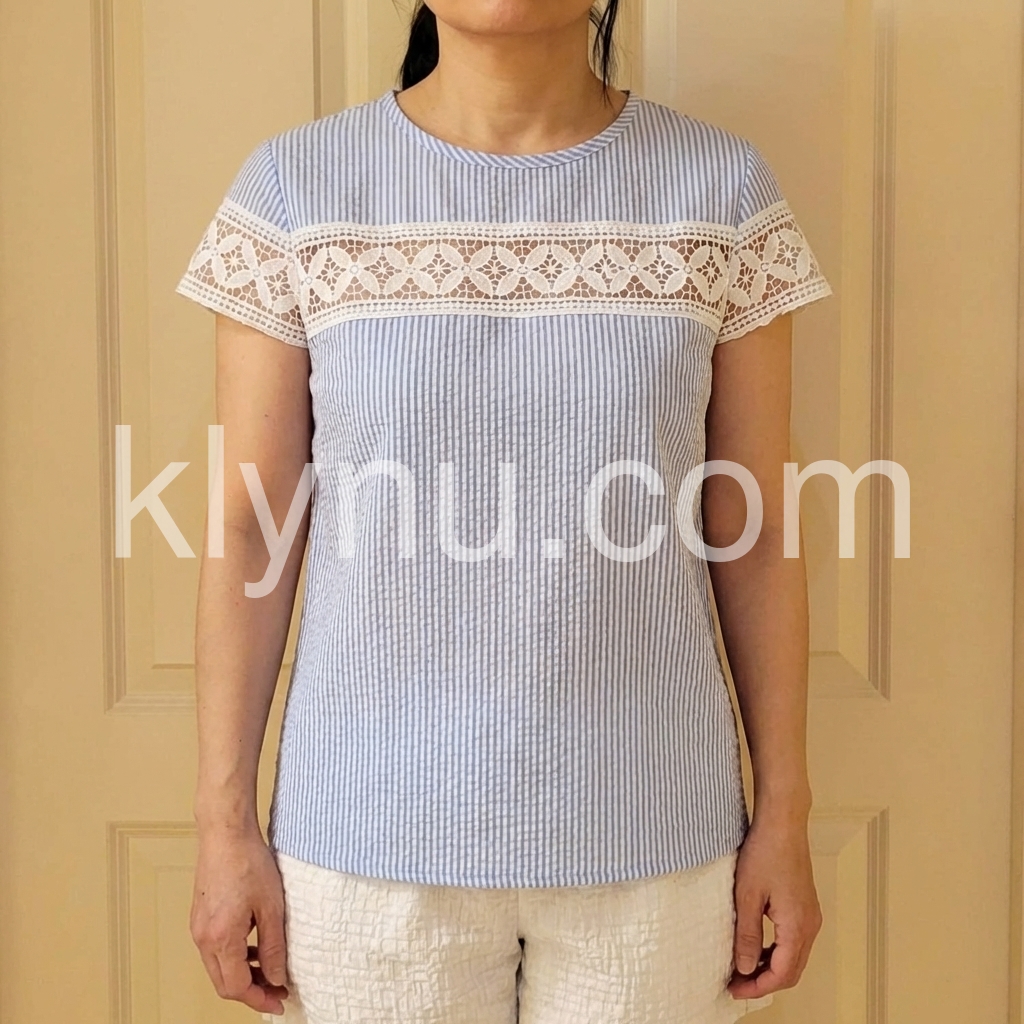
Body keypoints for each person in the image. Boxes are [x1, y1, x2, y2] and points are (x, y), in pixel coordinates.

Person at [175, 1, 832, 1021]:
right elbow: (252, 527)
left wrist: (784, 812)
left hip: (656, 844)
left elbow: (756, 531)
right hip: (364, 856)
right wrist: (225, 825)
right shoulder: (296, 189)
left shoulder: (721, 189)